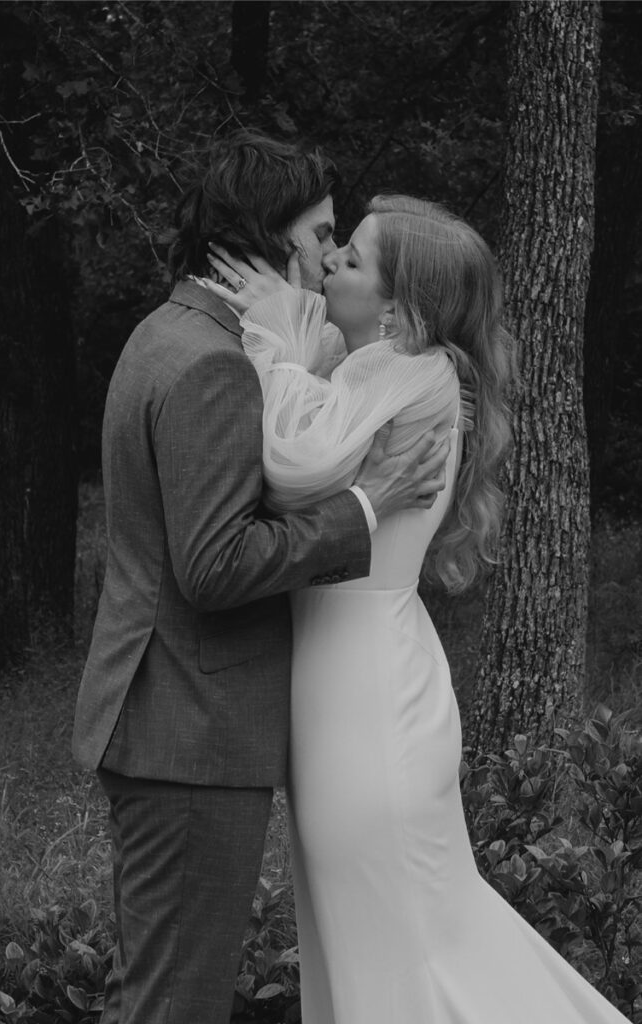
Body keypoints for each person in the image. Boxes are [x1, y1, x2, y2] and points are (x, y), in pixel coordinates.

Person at [205, 195, 631, 1023]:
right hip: (348, 687)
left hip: (367, 701)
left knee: (400, 942)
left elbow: (293, 462)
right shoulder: (371, 361)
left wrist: (274, 345)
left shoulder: (417, 375)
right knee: (376, 935)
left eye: (352, 260)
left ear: (400, 311)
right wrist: (289, 322)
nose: (329, 263)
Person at [71, 134, 450, 1024]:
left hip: (162, 718)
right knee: (177, 1006)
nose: (328, 254)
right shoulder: (211, 364)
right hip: (190, 732)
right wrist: (364, 504)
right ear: (269, 236)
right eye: (320, 234)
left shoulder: (168, 330)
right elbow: (212, 566)